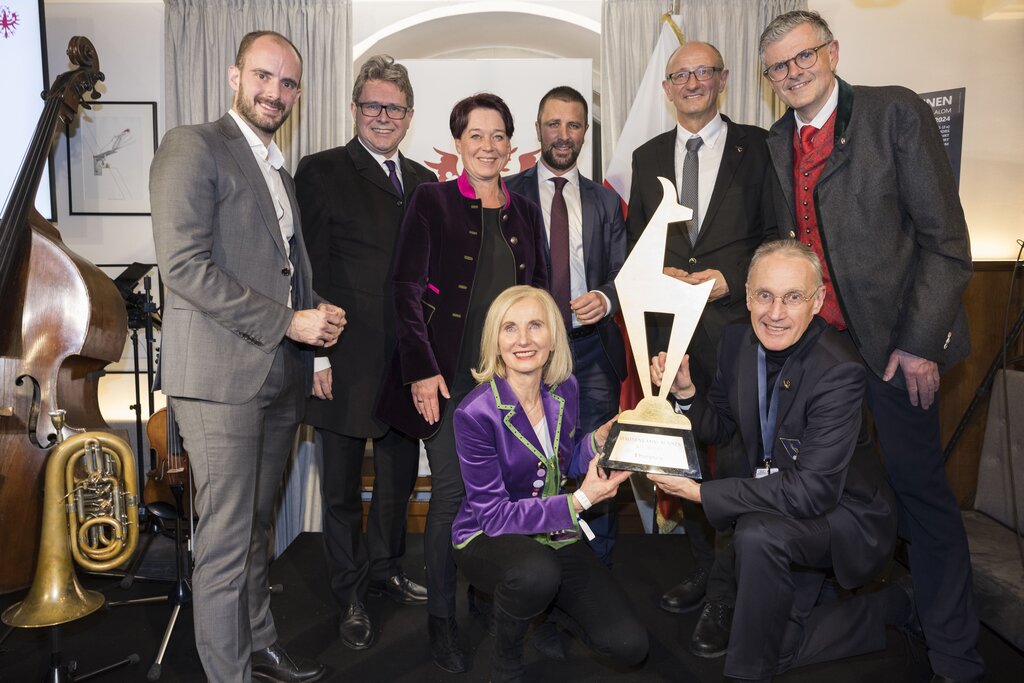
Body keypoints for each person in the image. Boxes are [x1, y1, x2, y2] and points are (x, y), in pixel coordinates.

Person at [758, 11, 982, 683]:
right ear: (768, 79)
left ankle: (956, 656)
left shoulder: (895, 114)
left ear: (832, 53)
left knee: (921, 498)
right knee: (826, 495)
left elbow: (948, 243)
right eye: (779, 66)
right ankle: (839, 627)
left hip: (895, 351)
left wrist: (918, 345)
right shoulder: (776, 140)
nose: (794, 72)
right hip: (821, 356)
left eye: (804, 57)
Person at [151, 31, 344, 683]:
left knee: (256, 529)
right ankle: (226, 674)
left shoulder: (277, 165)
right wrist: (291, 320)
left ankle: (259, 644)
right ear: (235, 75)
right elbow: (184, 268)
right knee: (226, 542)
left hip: (279, 374)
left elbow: (288, 265)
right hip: (219, 379)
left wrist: (314, 338)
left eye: (288, 84)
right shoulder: (193, 145)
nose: (276, 92)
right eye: (265, 76)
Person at [649, 240, 900, 682]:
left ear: (818, 301)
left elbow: (813, 491)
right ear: (746, 296)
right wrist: (687, 393)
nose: (775, 312)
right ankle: (870, 610)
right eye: (764, 295)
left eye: (793, 297)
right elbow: (720, 427)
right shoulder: (735, 341)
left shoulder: (839, 369)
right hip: (780, 505)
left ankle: (750, 670)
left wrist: (702, 492)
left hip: (845, 514)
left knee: (755, 534)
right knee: (770, 601)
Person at [376, 92, 548, 673]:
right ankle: (442, 621)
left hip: (511, 385)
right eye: (476, 135)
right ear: (458, 143)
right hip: (446, 381)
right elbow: (404, 289)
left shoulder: (525, 211)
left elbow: (540, 299)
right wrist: (421, 369)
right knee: (453, 496)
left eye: (498, 136)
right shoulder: (433, 200)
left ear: (511, 145)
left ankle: (490, 604)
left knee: (500, 496)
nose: (488, 147)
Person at [627, 40, 776, 656]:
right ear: (666, 87)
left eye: (702, 72)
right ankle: (702, 567)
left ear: (723, 79)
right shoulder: (646, 156)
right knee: (684, 460)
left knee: (736, 460)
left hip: (741, 332)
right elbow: (641, 244)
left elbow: (776, 235)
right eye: (679, 75)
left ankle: (725, 591)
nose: (691, 83)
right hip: (671, 337)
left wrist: (728, 280)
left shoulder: (759, 146)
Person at [294, 54, 435, 651]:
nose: (384, 116)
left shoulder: (428, 181)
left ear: (408, 115)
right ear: (355, 109)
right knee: (344, 492)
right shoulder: (321, 170)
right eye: (373, 106)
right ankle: (349, 592)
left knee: (399, 484)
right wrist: (316, 358)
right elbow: (304, 268)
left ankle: (388, 569)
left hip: (405, 366)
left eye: (394, 108)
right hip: (341, 362)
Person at [452, 285, 648, 682]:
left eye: (535, 326)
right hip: (486, 535)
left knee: (630, 647)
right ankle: (505, 658)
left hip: (553, 532)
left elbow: (560, 462)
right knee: (534, 574)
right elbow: (493, 516)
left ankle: (546, 607)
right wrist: (578, 502)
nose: (523, 340)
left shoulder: (565, 388)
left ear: (553, 336)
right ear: (495, 339)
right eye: (510, 328)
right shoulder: (475, 413)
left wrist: (595, 442)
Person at [505, 86, 627, 566]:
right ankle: (529, 563)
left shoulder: (603, 201)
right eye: (553, 124)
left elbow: (623, 273)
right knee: (528, 459)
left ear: (584, 132)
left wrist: (605, 297)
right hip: (524, 357)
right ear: (537, 130)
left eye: (573, 125)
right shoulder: (508, 193)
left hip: (591, 351)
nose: (562, 135)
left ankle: (596, 568)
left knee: (599, 459)